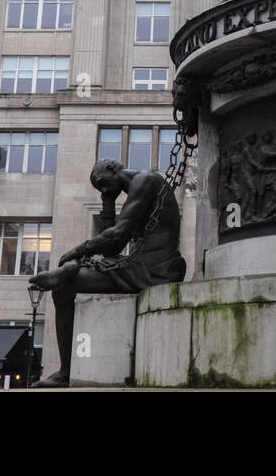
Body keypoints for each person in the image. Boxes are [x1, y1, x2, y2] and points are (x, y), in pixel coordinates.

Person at [28, 158, 185, 387]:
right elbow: (112, 249)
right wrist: (107, 203)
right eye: (98, 188)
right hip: (141, 265)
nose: (103, 189)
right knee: (73, 276)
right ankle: (71, 268)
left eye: (102, 183)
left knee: (64, 288)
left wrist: (78, 249)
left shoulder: (145, 179)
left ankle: (65, 372)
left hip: (154, 269)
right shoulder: (135, 188)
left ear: (113, 168)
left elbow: (118, 234)